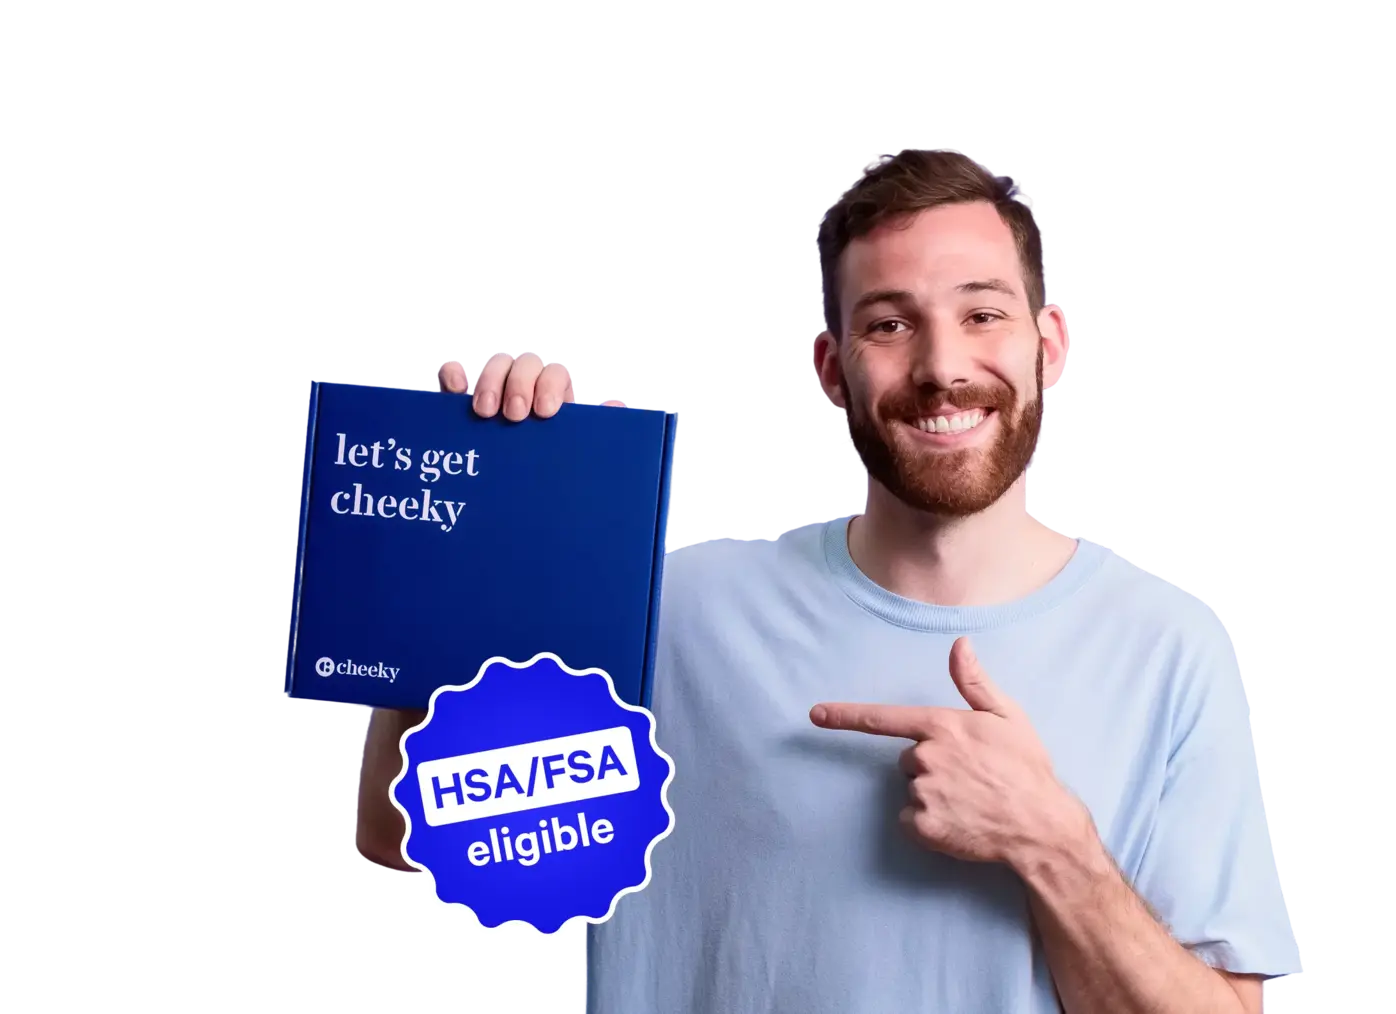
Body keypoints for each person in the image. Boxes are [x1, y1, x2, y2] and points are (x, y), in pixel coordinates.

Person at [354, 146, 1299, 1012]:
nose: (942, 368)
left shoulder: (1172, 641)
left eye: (982, 313)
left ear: (1050, 344)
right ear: (829, 370)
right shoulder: (672, 609)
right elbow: (405, 829)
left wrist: (1050, 844)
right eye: (890, 323)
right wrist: (470, 537)